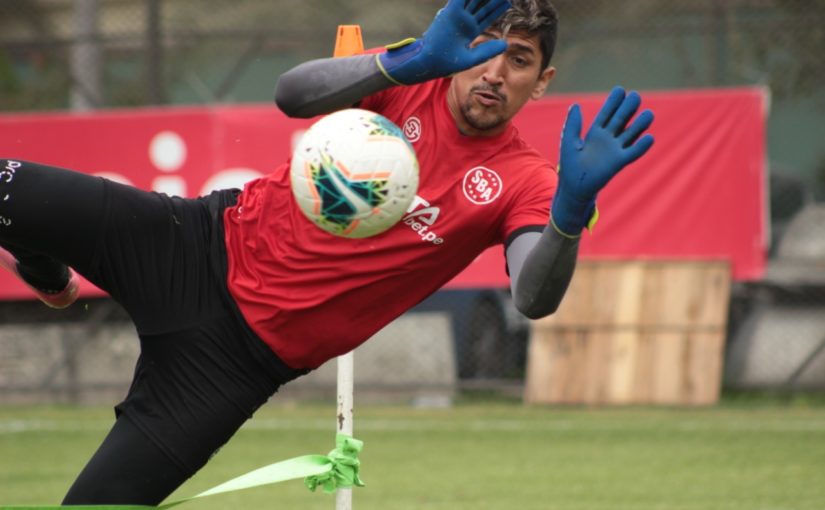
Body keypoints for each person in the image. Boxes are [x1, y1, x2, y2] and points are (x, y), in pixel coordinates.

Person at [0, 0, 654, 505]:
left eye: (516, 59)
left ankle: (41, 257)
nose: (492, 71)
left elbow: (531, 297)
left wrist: (568, 215)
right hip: (189, 242)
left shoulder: (530, 183)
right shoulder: (413, 72)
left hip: (230, 368)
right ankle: (46, 265)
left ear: (541, 81)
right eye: (484, 49)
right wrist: (412, 59)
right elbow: (291, 94)